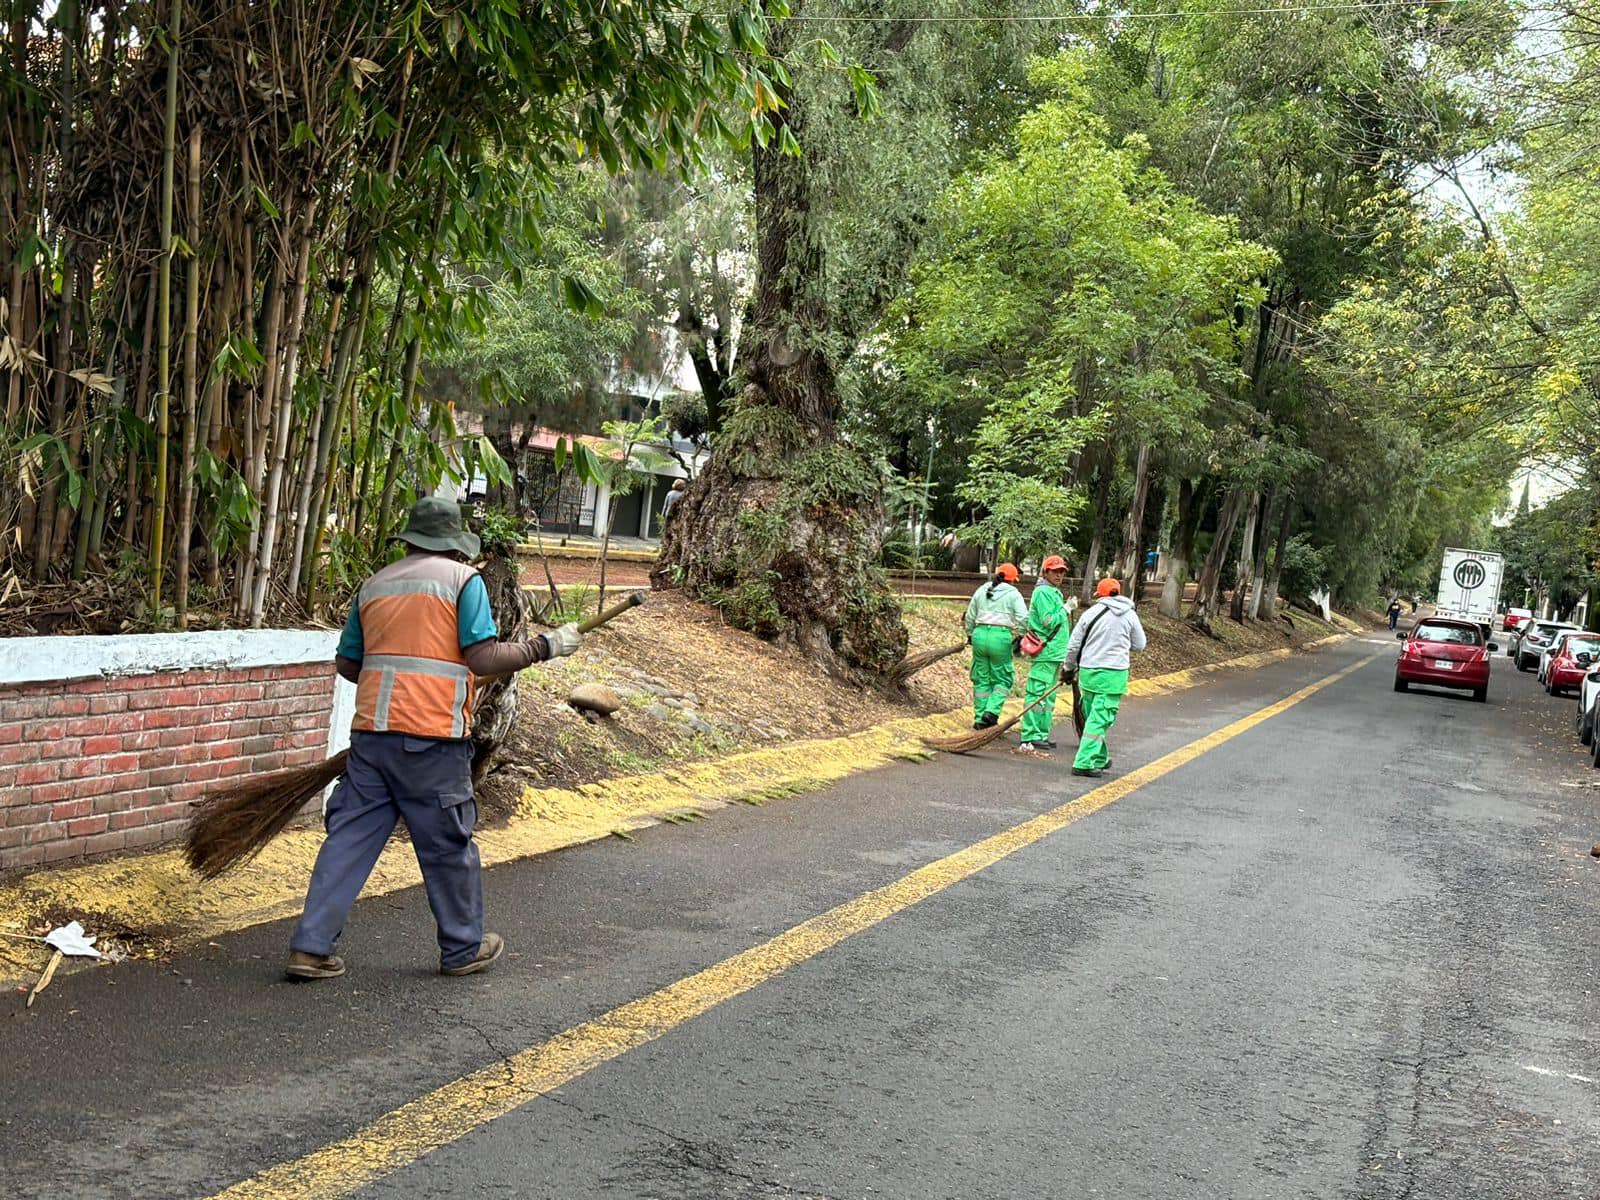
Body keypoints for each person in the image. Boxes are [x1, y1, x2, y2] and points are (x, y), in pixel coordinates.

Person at [284, 496, 584, 981]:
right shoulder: (464, 583)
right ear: (453, 544)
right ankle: (463, 948)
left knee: (349, 840)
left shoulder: (375, 585)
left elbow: (348, 665)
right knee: (447, 843)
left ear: (409, 540)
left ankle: (310, 947)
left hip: (372, 739)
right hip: (432, 742)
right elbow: (482, 659)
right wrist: (544, 647)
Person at [1063, 577, 1147, 779]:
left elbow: (1074, 645)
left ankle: (1099, 758)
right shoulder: (1130, 616)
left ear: (1099, 595)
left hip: (1089, 672)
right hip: (1113, 674)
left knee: (1093, 715)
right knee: (1101, 718)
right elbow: (1139, 645)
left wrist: (1068, 668)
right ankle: (1083, 762)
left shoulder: (1089, 614)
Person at [1017, 555, 1072, 755]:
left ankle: (1041, 734)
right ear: (1046, 572)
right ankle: (1029, 735)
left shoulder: (1053, 592)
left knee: (1048, 697)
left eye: (1062, 571)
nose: (1059, 575)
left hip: (1055, 653)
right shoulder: (1042, 592)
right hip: (1046, 652)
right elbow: (1049, 620)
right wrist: (1066, 610)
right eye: (1055, 571)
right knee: (1036, 693)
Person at [963, 563, 1029, 729]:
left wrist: (970, 634)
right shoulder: (1013, 594)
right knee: (1003, 679)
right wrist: (1020, 635)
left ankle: (980, 719)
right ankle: (991, 712)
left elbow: (970, 615)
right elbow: (1024, 619)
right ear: (1013, 580)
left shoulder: (982, 589)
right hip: (1000, 638)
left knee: (981, 679)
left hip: (979, 635)